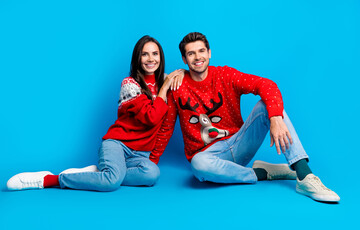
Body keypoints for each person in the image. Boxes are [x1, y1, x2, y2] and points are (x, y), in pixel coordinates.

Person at [150, 32, 340, 202]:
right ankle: (260, 173)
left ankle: (304, 175)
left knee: (271, 107)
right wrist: (152, 162)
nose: (197, 57)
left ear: (209, 53)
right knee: (198, 165)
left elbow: (266, 85)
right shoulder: (177, 86)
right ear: (184, 59)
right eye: (191, 53)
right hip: (209, 157)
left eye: (201, 51)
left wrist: (274, 118)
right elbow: (167, 127)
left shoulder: (225, 75)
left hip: (239, 143)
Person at [7, 35, 183, 192]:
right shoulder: (130, 84)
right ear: (137, 58)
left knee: (152, 174)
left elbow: (166, 127)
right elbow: (151, 117)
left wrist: (153, 158)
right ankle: (50, 180)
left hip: (140, 154)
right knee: (111, 182)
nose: (150, 59)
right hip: (117, 145)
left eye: (155, 54)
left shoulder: (165, 84)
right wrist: (164, 89)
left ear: (161, 57)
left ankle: (101, 172)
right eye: (145, 54)